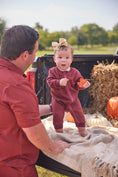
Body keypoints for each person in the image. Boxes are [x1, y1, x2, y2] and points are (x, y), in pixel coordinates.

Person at [0, 25, 70, 177]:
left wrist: (53, 107)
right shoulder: (16, 84)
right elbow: (33, 130)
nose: (35, 57)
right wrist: (53, 147)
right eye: (35, 52)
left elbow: (20, 111)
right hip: (12, 168)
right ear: (25, 55)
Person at [47, 38, 90, 137]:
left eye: (67, 58)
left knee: (79, 114)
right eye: (60, 57)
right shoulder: (53, 71)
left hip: (73, 100)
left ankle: (82, 130)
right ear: (55, 59)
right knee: (57, 116)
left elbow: (78, 83)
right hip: (58, 100)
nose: (63, 60)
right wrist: (58, 82)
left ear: (71, 60)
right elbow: (49, 81)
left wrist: (83, 85)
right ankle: (59, 132)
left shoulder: (75, 72)